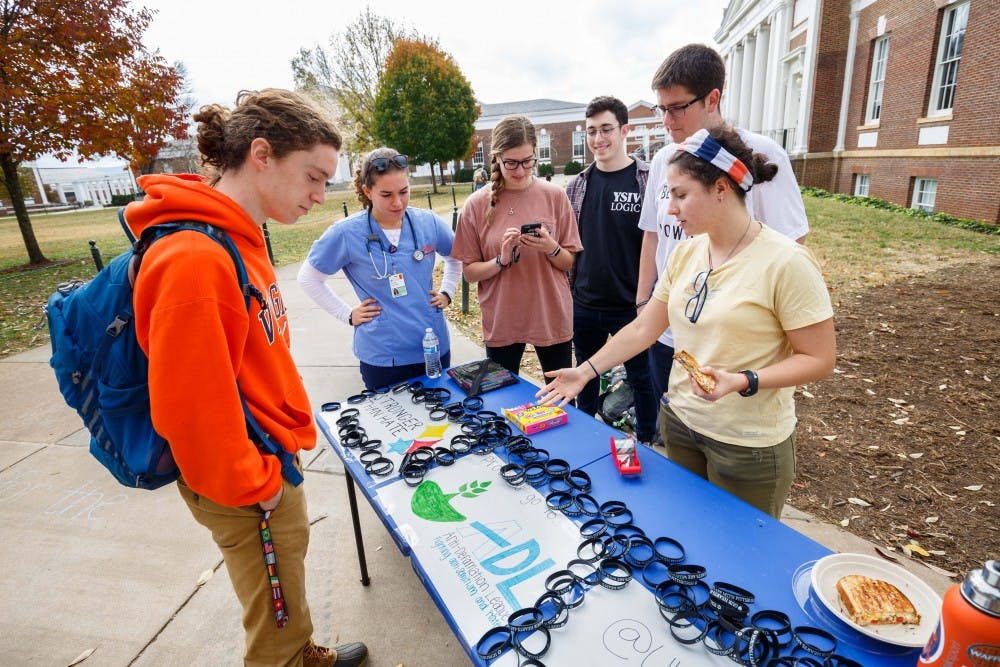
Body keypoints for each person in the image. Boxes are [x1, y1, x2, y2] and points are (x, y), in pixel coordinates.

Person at [123, 89, 368, 666]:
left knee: (285, 596)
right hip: (245, 480)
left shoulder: (241, 234)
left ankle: (301, 650)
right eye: (313, 176)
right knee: (271, 630)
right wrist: (259, 488)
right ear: (262, 153)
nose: (320, 194)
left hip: (269, 449)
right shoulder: (194, 259)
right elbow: (192, 415)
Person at [538, 127, 835, 519]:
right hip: (679, 423)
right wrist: (585, 372)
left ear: (720, 189)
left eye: (680, 195)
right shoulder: (686, 253)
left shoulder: (786, 262)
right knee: (686, 534)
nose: (670, 209)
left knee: (739, 557)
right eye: (668, 196)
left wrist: (744, 379)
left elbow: (819, 358)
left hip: (747, 445)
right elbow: (645, 329)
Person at [637, 43, 811, 402]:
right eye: (661, 109)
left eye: (677, 108)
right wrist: (643, 302)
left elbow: (792, 244)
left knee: (723, 435)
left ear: (712, 99)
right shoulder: (663, 160)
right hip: (665, 328)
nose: (667, 121)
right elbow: (653, 235)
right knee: (672, 425)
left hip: (728, 337)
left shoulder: (760, 155)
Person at [298, 147, 461, 389]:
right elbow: (308, 278)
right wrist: (347, 314)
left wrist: (447, 292)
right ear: (367, 191)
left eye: (404, 192)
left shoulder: (428, 223)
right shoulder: (346, 233)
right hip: (384, 356)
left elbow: (456, 258)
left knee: (437, 420)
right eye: (386, 194)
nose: (398, 202)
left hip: (432, 347)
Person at [452, 115, 582, 376]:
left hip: (550, 314)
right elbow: (469, 272)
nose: (520, 171)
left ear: (535, 153)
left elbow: (569, 261)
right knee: (501, 399)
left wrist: (550, 248)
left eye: (527, 161)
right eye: (511, 163)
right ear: (497, 158)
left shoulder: (554, 195)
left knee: (559, 398)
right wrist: (501, 260)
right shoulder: (476, 204)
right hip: (502, 318)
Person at [565, 96, 657, 445]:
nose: (598, 138)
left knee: (641, 378)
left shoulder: (645, 181)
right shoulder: (577, 185)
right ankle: (585, 439)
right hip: (585, 303)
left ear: (624, 131)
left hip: (631, 307)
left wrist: (647, 299)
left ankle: (647, 440)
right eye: (591, 131)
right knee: (584, 375)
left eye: (606, 129)